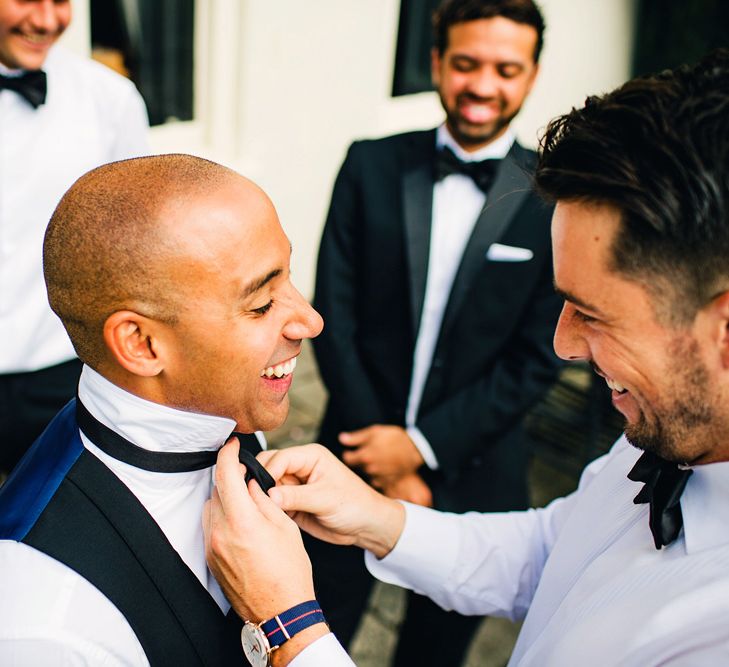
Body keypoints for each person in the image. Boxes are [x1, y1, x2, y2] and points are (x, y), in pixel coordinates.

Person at [204, 49, 729, 666]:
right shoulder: (664, 434)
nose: (564, 344)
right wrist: (377, 516)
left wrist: (288, 623)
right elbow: (548, 552)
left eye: (592, 313)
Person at [310, 0, 562, 659]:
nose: (482, 85)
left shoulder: (555, 197)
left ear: (531, 75)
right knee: (313, 630)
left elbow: (536, 358)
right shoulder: (368, 165)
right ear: (435, 65)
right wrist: (383, 457)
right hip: (349, 454)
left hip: (476, 481)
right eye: (465, 63)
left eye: (506, 68)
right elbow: (333, 318)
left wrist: (420, 448)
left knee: (432, 654)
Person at [0, 154, 325, 665]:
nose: (310, 319)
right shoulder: (47, 624)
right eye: (261, 304)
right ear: (142, 345)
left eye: (289, 276)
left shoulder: (213, 411)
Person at [0, 0, 149, 476]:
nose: (46, 20)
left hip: (63, 372)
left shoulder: (109, 99)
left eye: (60, 0)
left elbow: (134, 239)